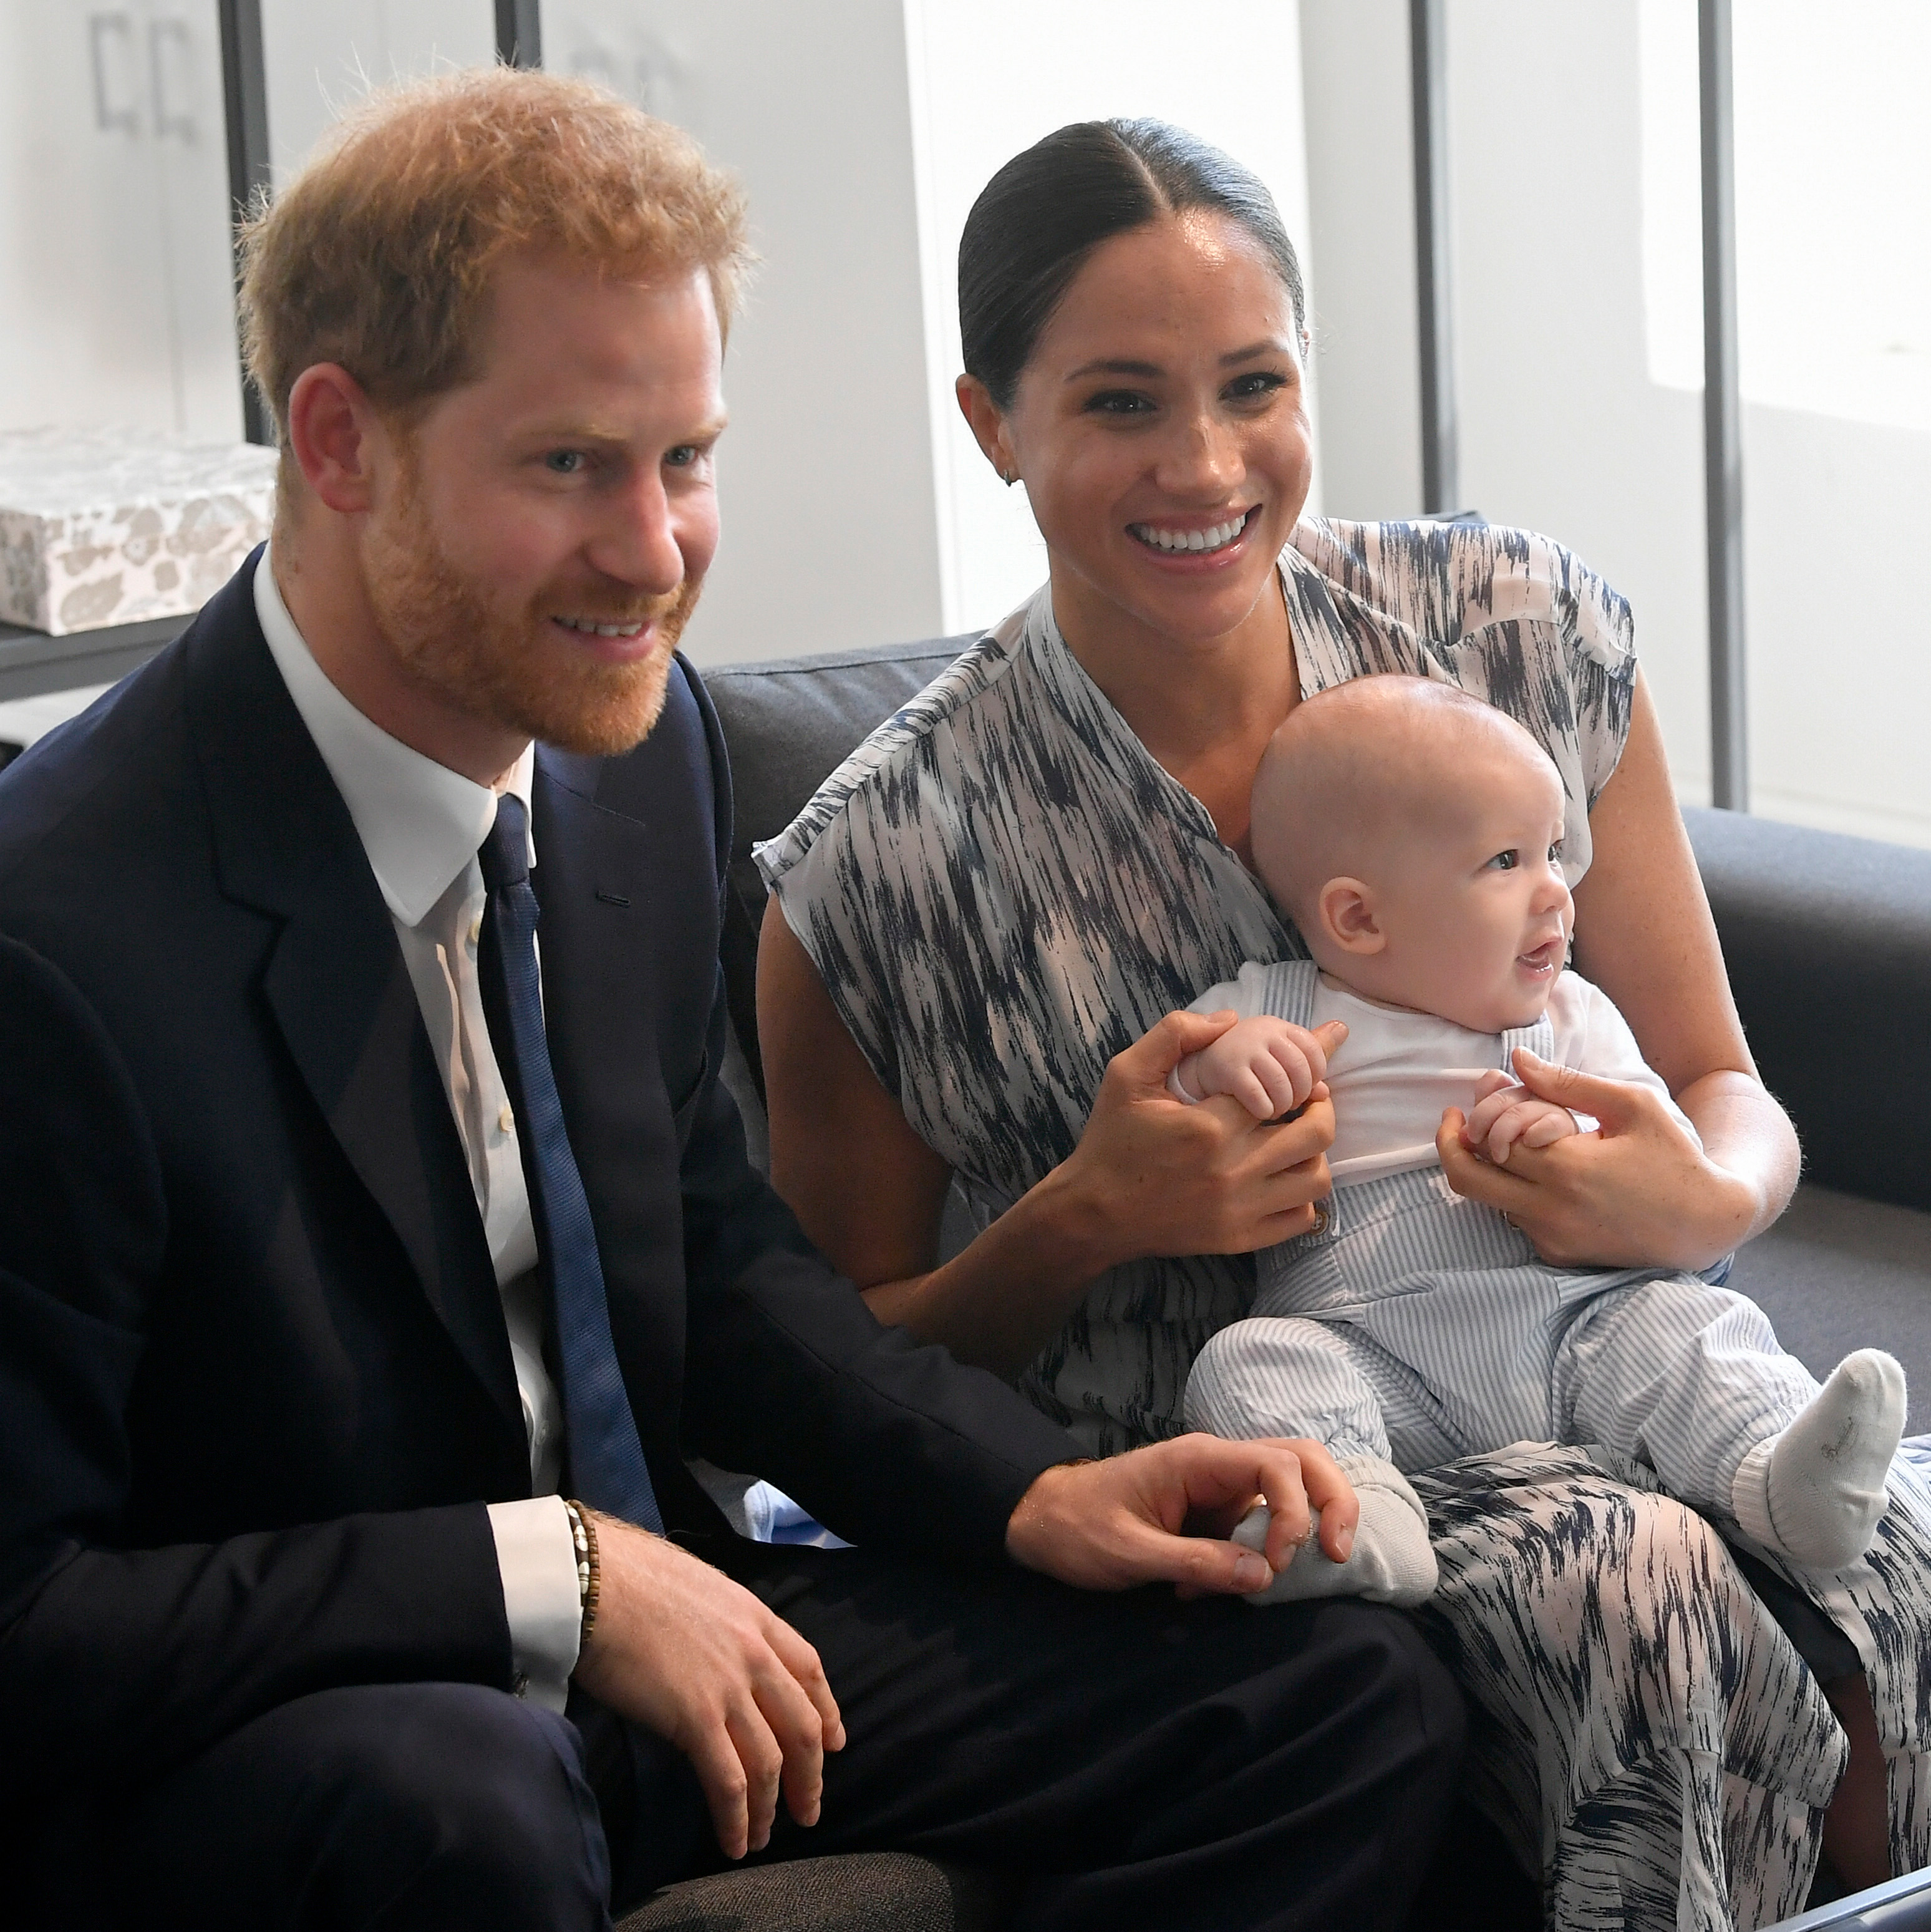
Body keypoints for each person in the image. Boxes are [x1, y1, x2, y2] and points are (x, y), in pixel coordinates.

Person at [0, 73, 1469, 1931]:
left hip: (655, 1620)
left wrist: (1036, 1497)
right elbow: (27, 1616)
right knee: (467, 1805)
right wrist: (555, 1578)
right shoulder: (57, 937)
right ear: (339, 439)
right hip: (306, 1730)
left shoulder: (633, 756)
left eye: (684, 458)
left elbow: (714, 1254)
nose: (657, 551)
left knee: (1333, 1697)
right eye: (570, 466)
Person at [755, 117, 1931, 1926]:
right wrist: (1092, 1213)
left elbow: (1722, 1084)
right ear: (994, 423)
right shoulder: (882, 873)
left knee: (1905, 1545)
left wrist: (1698, 1201)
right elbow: (830, 1380)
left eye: (1252, 385)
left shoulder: (1518, 634)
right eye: (1122, 404)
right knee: (1619, 1574)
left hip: (1611, 1335)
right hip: (1269, 1464)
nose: (1205, 463)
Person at [1168, 675, 1908, 1608]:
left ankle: (1780, 1477)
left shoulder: (1570, 1017)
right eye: (1506, 860)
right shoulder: (1273, 1006)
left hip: (1580, 1328)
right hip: (1374, 1351)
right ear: (1359, 917)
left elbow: (1663, 1151)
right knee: (1246, 1363)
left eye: (1556, 851)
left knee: (1691, 1331)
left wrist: (1574, 1136)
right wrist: (1226, 1065)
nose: (1557, 889)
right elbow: (1163, 1095)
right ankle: (1361, 1518)